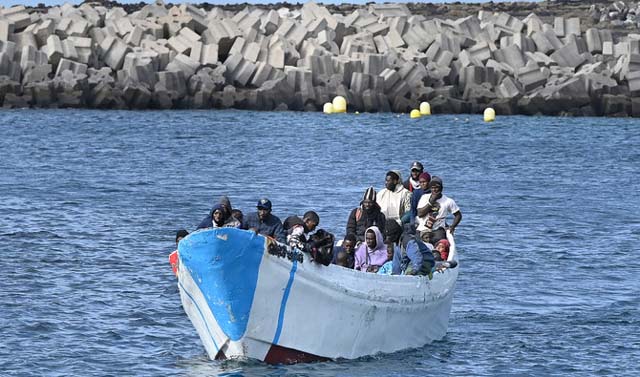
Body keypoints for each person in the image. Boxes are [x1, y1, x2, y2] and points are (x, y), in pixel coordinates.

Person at [416, 176, 462, 245]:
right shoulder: (424, 198)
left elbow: (458, 215)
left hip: (438, 230)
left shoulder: (448, 201)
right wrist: (431, 202)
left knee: (440, 244)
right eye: (432, 188)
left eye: (436, 187)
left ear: (441, 188)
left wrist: (452, 226)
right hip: (423, 228)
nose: (434, 190)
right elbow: (420, 214)